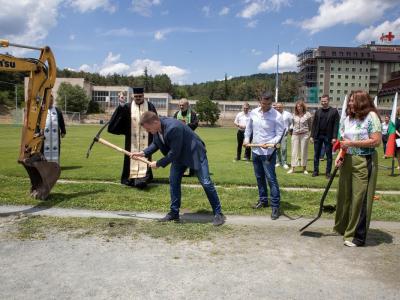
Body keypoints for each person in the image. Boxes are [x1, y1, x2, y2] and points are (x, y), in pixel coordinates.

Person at [131, 111, 225, 226]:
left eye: (148, 129)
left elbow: (174, 153)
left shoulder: (173, 128)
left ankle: (218, 213)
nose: (147, 131)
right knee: (174, 181)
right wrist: (143, 153)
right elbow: (156, 143)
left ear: (155, 122)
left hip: (194, 153)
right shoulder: (157, 128)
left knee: (206, 182)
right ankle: (174, 213)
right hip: (179, 156)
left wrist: (159, 163)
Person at [333, 90, 382, 247]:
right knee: (344, 194)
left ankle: (357, 236)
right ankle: (343, 227)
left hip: (364, 160)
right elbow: (344, 140)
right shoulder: (348, 118)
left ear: (362, 102)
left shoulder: (371, 117)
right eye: (350, 101)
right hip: (347, 159)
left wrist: (352, 144)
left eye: (353, 100)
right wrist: (340, 155)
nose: (350, 103)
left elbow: (376, 141)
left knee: (360, 198)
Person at [243, 92, 285, 220]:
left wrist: (270, 143)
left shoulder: (277, 116)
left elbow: (279, 134)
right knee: (259, 177)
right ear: (259, 101)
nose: (265, 106)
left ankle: (275, 206)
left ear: (271, 102)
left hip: (268, 153)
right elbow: (248, 129)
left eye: (268, 104)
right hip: (255, 151)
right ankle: (263, 200)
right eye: (263, 103)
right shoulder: (254, 113)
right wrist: (246, 139)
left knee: (271, 179)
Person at [108, 87, 157, 188]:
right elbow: (119, 120)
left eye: (140, 96)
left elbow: (155, 121)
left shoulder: (150, 106)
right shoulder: (128, 106)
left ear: (143, 96)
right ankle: (130, 178)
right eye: (136, 96)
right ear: (133, 96)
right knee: (131, 158)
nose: (138, 98)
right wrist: (121, 104)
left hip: (147, 139)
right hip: (132, 141)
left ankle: (144, 177)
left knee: (145, 156)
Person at [310, 94, 340, 179]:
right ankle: (316, 171)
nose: (323, 103)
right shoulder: (318, 111)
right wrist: (312, 136)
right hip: (318, 136)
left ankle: (328, 173)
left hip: (329, 136)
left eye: (325, 101)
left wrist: (334, 137)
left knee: (329, 155)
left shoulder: (334, 111)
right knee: (316, 154)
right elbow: (314, 125)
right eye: (322, 101)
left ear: (328, 101)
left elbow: (336, 125)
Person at [173, 98, 199, 175]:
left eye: (183, 105)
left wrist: (185, 125)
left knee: (190, 155)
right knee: (179, 155)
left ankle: (191, 172)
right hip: (178, 139)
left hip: (189, 138)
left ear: (187, 105)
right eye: (180, 105)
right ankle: (181, 171)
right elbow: (172, 124)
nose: (181, 107)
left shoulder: (193, 114)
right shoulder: (176, 114)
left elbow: (195, 124)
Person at [287, 99, 312, 174]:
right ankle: (293, 168)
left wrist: (308, 133)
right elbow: (292, 125)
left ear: (303, 107)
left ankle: (304, 168)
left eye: (300, 106)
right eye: (298, 107)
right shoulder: (293, 115)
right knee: (294, 151)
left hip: (304, 134)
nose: (299, 108)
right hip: (295, 134)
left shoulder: (308, 114)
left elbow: (310, 125)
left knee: (304, 151)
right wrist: (292, 132)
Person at [43, 95, 66, 164]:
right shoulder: (42, 110)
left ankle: (55, 165)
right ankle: (44, 165)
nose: (51, 102)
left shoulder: (57, 110)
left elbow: (62, 122)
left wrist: (63, 131)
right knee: (44, 150)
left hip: (55, 136)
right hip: (44, 137)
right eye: (49, 101)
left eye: (52, 100)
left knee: (56, 150)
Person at [274, 102, 293, 169]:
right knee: (276, 148)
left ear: (283, 107)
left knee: (284, 148)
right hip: (275, 134)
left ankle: (284, 162)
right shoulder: (274, 114)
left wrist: (290, 129)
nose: (278, 108)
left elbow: (292, 123)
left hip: (284, 134)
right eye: (277, 107)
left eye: (280, 107)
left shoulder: (288, 114)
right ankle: (277, 162)